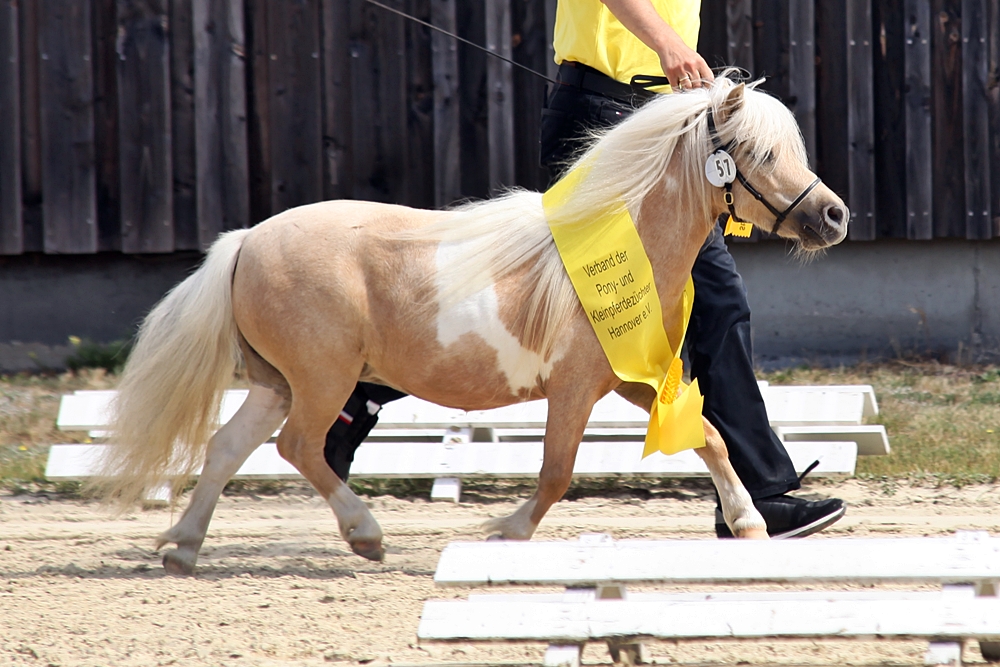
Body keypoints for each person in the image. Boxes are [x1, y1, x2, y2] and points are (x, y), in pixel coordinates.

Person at [540, 0, 844, 538]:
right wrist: (668, 44)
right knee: (545, 300)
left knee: (716, 300)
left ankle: (754, 493)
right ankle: (758, 493)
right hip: (600, 113)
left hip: (666, 122)